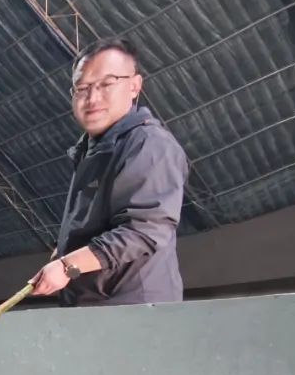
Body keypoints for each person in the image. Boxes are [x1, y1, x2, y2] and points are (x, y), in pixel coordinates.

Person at [30, 37, 187, 306]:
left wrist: (68, 266)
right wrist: (63, 252)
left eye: (106, 84)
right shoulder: (92, 149)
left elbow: (143, 231)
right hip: (96, 308)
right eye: (82, 88)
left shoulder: (149, 144)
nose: (92, 98)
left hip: (134, 309)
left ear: (134, 86)